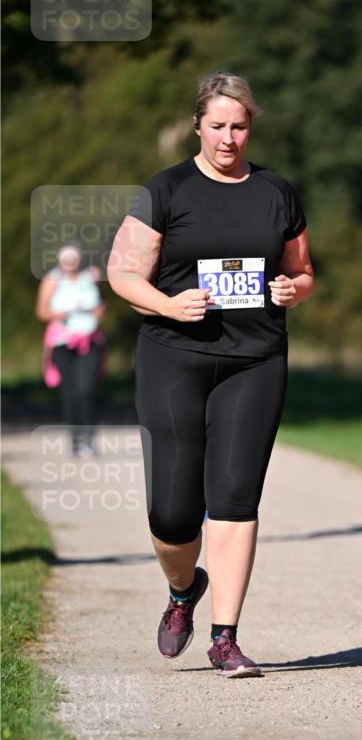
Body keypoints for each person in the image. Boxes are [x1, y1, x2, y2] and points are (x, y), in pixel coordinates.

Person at [108, 71, 314, 679]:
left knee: (234, 496)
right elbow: (123, 274)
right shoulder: (165, 190)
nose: (229, 138)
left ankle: (226, 637)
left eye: (240, 126)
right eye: (218, 126)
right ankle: (182, 591)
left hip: (256, 359)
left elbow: (304, 272)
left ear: (252, 127)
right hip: (174, 353)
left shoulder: (276, 191)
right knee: (171, 513)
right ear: (199, 125)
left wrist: (291, 289)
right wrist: (169, 304)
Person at [36, 244, 105, 456]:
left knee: (86, 389)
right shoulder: (52, 279)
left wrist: (96, 314)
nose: (69, 262)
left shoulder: (90, 276)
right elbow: (41, 312)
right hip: (63, 342)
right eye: (66, 258)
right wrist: (61, 314)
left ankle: (89, 439)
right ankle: (75, 440)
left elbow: (100, 306)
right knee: (70, 392)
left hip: (89, 340)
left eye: (73, 258)